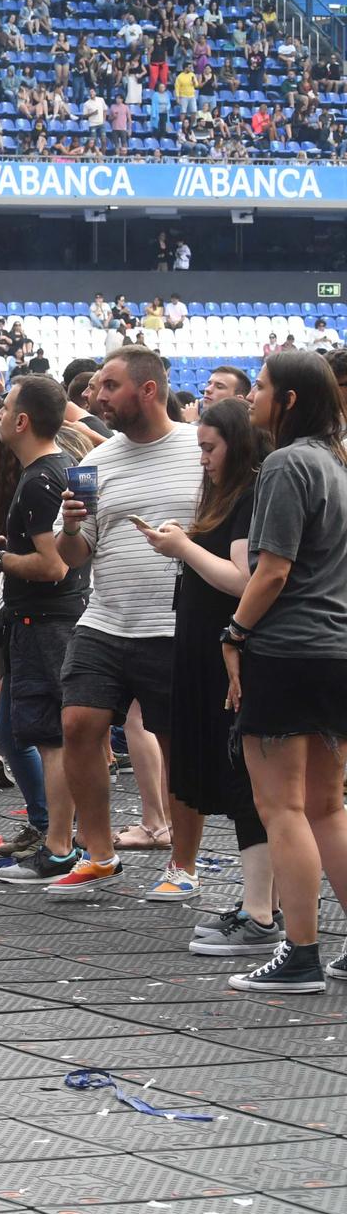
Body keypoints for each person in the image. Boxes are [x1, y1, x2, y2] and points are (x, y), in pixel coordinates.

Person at [52, 346, 201, 898]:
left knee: (176, 745)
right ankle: (99, 854)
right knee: (77, 726)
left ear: (148, 389)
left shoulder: (198, 448)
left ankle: (182, 867)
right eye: (96, 388)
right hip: (105, 618)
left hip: (175, 625)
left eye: (109, 387)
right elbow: (74, 557)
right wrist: (70, 528)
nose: (95, 397)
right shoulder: (96, 463)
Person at [220, 351, 347, 993]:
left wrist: (235, 631)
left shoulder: (286, 463)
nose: (252, 396)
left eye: (262, 387)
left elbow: (272, 570)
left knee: (283, 808)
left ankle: (300, 954)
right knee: (328, 807)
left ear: (290, 400)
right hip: (335, 654)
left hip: (287, 653)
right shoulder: (337, 464)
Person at [134, 399, 275, 950]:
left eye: (210, 449)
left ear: (235, 446)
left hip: (229, 659)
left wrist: (183, 546)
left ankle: (262, 909)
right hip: (205, 652)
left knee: (250, 787)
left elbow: (244, 580)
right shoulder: (227, 493)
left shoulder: (251, 493)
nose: (203, 460)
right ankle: (262, 903)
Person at [0, 376, 88, 881]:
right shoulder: (58, 469)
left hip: (44, 623)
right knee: (14, 732)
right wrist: (5, 545)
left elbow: (53, 565)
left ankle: (57, 847)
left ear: (22, 421)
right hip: (48, 621)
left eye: (5, 406)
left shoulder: (38, 480)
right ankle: (51, 832)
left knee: (50, 739)